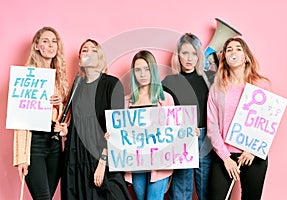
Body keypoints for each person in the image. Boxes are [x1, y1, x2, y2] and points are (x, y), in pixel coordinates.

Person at [60, 39, 132, 200]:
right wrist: (66, 130)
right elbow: (77, 123)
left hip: (100, 154)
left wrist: (102, 163)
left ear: (100, 57)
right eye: (85, 50)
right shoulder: (77, 86)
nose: (89, 52)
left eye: (94, 50)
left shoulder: (112, 84)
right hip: (76, 158)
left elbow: (116, 128)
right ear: (80, 59)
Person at [206, 37, 271, 200]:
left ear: (245, 57)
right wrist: (226, 158)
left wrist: (252, 149)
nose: (233, 52)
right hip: (224, 155)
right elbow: (212, 126)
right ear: (225, 58)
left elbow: (267, 120)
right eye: (229, 49)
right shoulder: (217, 87)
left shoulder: (260, 85)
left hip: (252, 156)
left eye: (238, 49)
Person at [13, 26, 69, 200]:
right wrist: (21, 157)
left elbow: (63, 118)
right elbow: (19, 119)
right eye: (45, 41)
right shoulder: (26, 75)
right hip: (34, 142)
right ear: (37, 46)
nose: (50, 45)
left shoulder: (59, 77)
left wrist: (59, 107)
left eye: (54, 42)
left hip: (53, 142)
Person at [162, 33, 215, 200]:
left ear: (199, 56)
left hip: (204, 137)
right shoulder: (169, 81)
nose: (189, 58)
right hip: (180, 139)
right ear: (178, 55)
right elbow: (162, 114)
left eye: (193, 53)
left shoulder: (209, 79)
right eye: (185, 53)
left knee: (206, 189)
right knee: (180, 191)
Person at [121, 50, 174, 200]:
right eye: (138, 70)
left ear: (153, 71)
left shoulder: (165, 98)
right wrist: (113, 135)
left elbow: (174, 129)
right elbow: (122, 131)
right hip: (137, 163)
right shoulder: (127, 101)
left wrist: (188, 132)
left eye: (147, 69)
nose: (142, 74)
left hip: (159, 164)